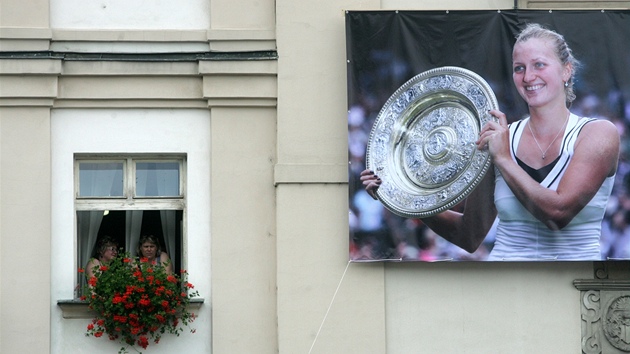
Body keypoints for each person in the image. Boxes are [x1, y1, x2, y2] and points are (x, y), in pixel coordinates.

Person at [361, 23, 620, 261]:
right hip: (501, 288)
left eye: (539, 65)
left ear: (566, 70)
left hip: (574, 292)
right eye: (520, 68)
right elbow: (469, 236)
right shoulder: (497, 136)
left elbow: (558, 214)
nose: (528, 77)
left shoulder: (598, 134)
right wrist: (402, 198)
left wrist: (504, 159)